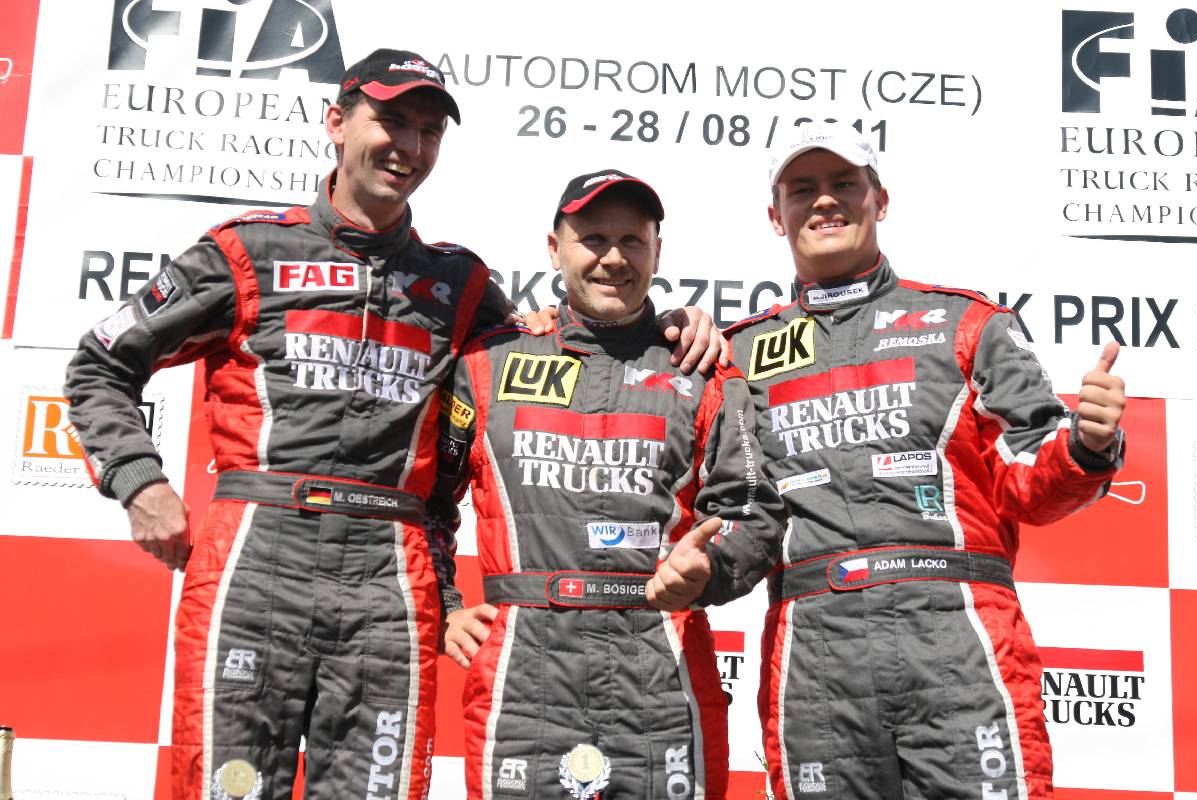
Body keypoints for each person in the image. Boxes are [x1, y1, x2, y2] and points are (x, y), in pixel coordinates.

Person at [63, 46, 719, 799]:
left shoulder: (458, 282)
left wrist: (670, 327)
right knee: (225, 786)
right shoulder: (246, 250)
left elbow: (567, 346)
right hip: (256, 554)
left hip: (389, 573)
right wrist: (139, 482)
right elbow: (99, 363)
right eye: (392, 121)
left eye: (428, 131)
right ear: (336, 123)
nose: (409, 145)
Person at [723, 122, 1127, 799]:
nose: (825, 200)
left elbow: (1030, 484)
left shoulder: (966, 325)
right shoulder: (736, 355)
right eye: (803, 189)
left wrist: (1087, 445)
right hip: (816, 648)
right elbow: (725, 500)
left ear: (880, 201)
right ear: (776, 215)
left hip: (957, 634)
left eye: (844, 183)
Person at [431, 169, 784, 800]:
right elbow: (428, 499)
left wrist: (711, 569)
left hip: (661, 671)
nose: (614, 258)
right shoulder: (488, 361)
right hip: (522, 676)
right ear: (554, 248)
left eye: (632, 240)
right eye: (593, 238)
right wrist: (443, 606)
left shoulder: (703, 369)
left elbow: (753, 508)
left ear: (657, 252)